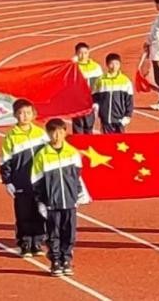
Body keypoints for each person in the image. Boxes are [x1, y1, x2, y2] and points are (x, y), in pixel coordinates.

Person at [31, 118, 91, 277]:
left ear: (65, 132)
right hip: (52, 202)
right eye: (53, 132)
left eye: (60, 131)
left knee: (69, 232)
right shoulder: (42, 155)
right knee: (53, 233)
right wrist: (41, 202)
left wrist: (79, 194)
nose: (57, 135)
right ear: (48, 134)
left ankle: (66, 259)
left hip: (69, 201)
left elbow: (76, 176)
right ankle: (55, 260)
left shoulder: (72, 152)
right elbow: (36, 181)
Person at [0, 98, 48, 257]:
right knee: (23, 214)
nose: (24, 116)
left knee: (39, 211)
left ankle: (38, 242)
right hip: (21, 182)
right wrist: (7, 181)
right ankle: (25, 243)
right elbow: (5, 160)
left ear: (33, 114)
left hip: (39, 181)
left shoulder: (41, 134)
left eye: (28, 112)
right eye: (20, 113)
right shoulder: (11, 137)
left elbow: (50, 155)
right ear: (15, 115)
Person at [91, 53, 133, 134]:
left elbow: (129, 101)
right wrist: (95, 105)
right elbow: (94, 96)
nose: (114, 66)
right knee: (107, 143)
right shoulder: (101, 80)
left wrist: (128, 116)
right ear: (107, 64)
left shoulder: (125, 81)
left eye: (117, 64)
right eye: (111, 63)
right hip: (105, 119)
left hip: (120, 120)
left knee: (120, 143)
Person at [71, 42, 103, 134]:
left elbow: (99, 86)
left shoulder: (96, 67)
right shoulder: (73, 67)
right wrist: (71, 63)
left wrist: (97, 102)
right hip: (77, 102)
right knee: (78, 126)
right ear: (76, 54)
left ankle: (88, 146)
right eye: (80, 53)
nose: (83, 55)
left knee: (89, 125)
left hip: (90, 101)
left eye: (85, 53)